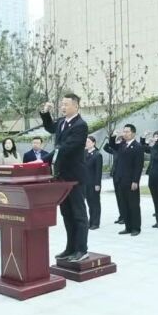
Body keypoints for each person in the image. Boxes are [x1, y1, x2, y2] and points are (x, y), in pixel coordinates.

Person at [40, 94, 90, 262]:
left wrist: (43, 159)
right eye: (62, 104)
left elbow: (66, 147)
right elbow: (50, 128)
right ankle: (70, 248)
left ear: (76, 106)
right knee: (66, 213)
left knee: (79, 214)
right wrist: (45, 113)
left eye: (66, 104)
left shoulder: (80, 125)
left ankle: (82, 249)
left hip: (75, 176)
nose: (63, 107)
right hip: (61, 176)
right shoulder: (62, 122)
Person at [107, 124, 145, 236]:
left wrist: (135, 181)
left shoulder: (137, 147)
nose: (125, 134)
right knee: (124, 204)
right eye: (124, 131)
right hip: (120, 179)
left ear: (133, 133)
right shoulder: (122, 145)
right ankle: (128, 227)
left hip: (130, 181)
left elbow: (139, 166)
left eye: (127, 132)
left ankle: (136, 228)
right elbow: (112, 145)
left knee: (133, 205)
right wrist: (113, 136)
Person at [104, 135, 124, 224]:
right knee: (118, 197)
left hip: (122, 176)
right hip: (115, 175)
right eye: (117, 140)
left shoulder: (122, 150)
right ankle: (121, 216)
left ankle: (124, 216)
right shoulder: (115, 150)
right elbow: (105, 147)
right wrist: (111, 140)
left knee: (123, 197)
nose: (118, 141)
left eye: (120, 140)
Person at [84, 136, 103, 230]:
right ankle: (90, 222)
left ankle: (95, 222)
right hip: (85, 183)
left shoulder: (97, 155)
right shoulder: (84, 153)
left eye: (88, 142)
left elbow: (98, 171)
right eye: (86, 142)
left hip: (93, 183)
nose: (86, 143)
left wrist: (97, 184)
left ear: (93, 143)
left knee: (95, 203)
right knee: (89, 203)